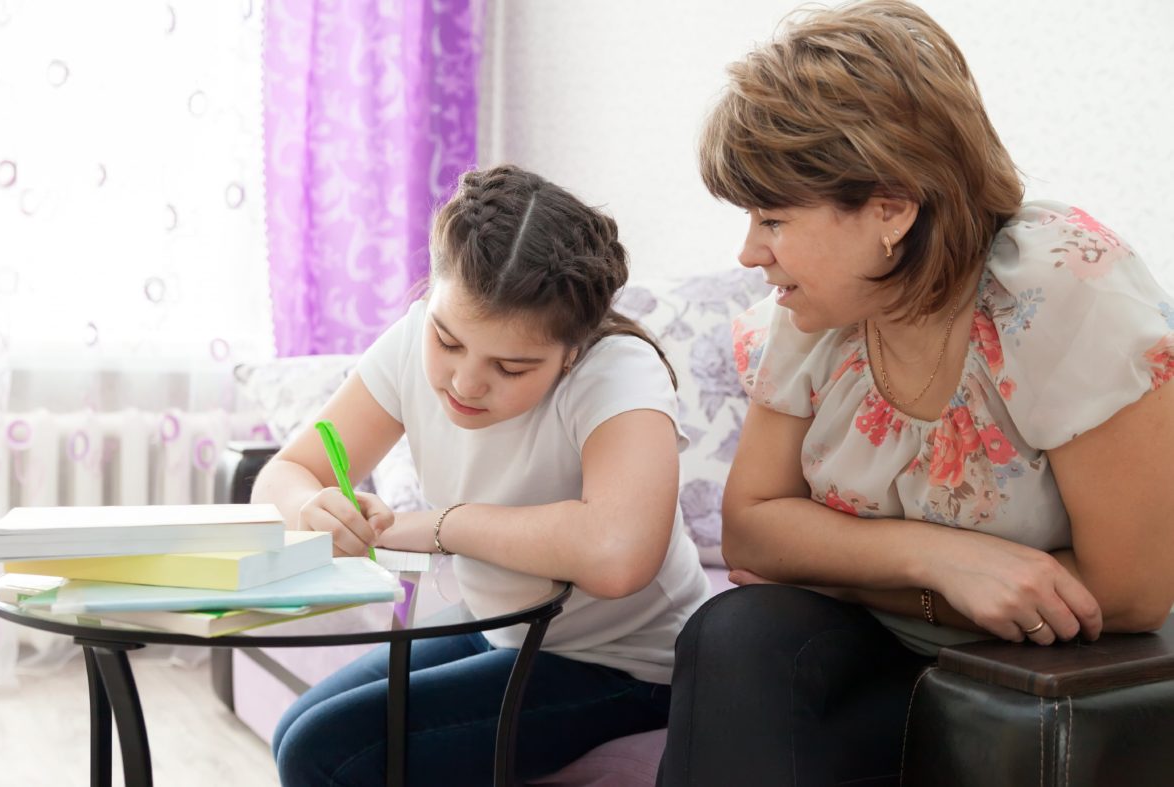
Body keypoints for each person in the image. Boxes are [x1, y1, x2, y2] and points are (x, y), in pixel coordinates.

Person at [655, 1, 1174, 785]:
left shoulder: (1064, 288)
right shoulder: (814, 310)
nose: (750, 252)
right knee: (735, 631)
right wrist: (939, 558)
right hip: (882, 645)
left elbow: (1130, 592)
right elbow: (752, 532)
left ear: (891, 208)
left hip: (1045, 675)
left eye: (773, 219)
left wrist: (832, 562)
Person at [255, 164, 709, 786]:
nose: (466, 383)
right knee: (296, 730)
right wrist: (311, 508)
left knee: (325, 751)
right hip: (507, 634)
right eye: (448, 340)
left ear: (572, 351)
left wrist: (441, 526)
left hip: (630, 666)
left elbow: (618, 556)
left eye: (512, 367)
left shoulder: (617, 371)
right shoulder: (412, 339)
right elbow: (286, 473)